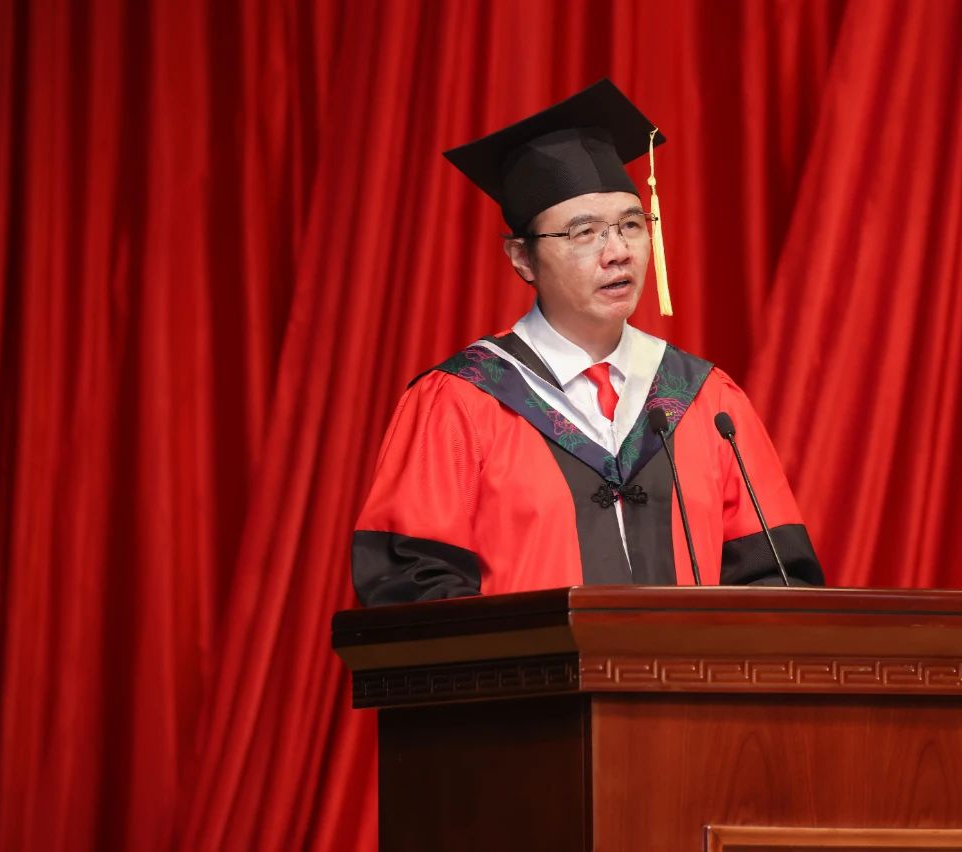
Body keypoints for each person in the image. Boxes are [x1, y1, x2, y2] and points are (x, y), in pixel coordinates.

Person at [352, 80, 822, 605]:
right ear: (522, 258)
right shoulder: (462, 402)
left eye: (632, 225)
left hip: (684, 664)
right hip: (535, 664)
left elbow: (778, 584)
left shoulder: (707, 401)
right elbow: (413, 588)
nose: (618, 251)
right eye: (584, 233)